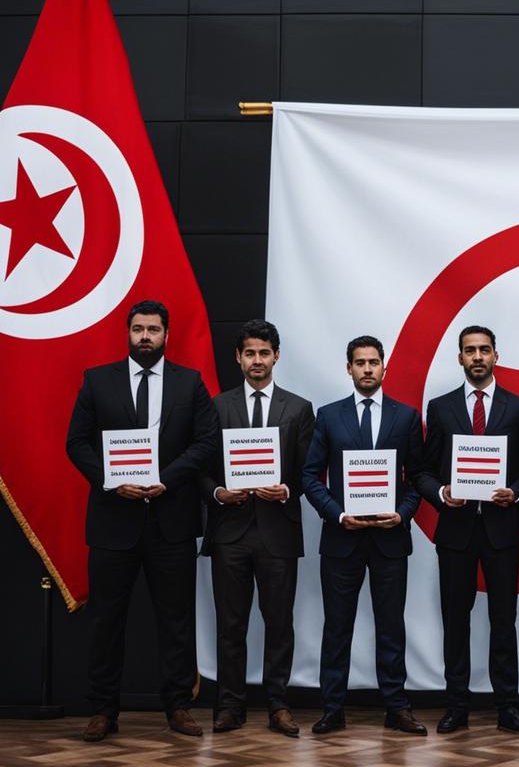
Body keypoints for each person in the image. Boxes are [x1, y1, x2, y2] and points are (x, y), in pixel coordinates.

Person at [66, 299, 219, 742]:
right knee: (106, 621)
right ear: (128, 333)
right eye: (138, 329)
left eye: (153, 329)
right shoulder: (98, 381)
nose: (145, 337)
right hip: (113, 521)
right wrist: (111, 481)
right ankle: (102, 710)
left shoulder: (190, 383)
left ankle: (178, 706)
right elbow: (76, 443)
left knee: (176, 620)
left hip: (171, 522)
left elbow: (206, 442)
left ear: (167, 335)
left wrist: (166, 479)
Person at [302, 335, 425, 736]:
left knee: (391, 626)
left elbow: (418, 478)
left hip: (390, 538)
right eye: (360, 362)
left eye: (374, 362)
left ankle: (397, 707)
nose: (367, 369)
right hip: (342, 538)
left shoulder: (406, 417)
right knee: (337, 626)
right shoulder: (329, 416)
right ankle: (332, 708)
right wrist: (337, 515)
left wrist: (402, 514)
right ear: (349, 368)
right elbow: (310, 476)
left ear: (384, 367)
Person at [416, 326, 519, 734]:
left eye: (484, 350)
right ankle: (456, 706)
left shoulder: (517, 407)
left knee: (504, 620)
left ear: (496, 355)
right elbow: (423, 471)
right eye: (470, 350)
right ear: (460, 358)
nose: (478, 357)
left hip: (502, 529)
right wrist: (441, 492)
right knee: (455, 621)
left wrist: (515, 492)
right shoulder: (440, 407)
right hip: (456, 530)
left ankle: (508, 707)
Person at [202, 319, 315, 738]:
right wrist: (217, 493)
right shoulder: (217, 407)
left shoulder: (299, 408)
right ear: (238, 357)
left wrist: (287, 489)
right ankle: (229, 706)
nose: (257, 360)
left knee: (279, 623)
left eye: (264, 353)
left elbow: (308, 472)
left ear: (276, 356)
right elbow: (201, 468)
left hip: (277, 530)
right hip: (229, 531)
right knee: (230, 624)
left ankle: (278, 705)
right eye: (249, 353)